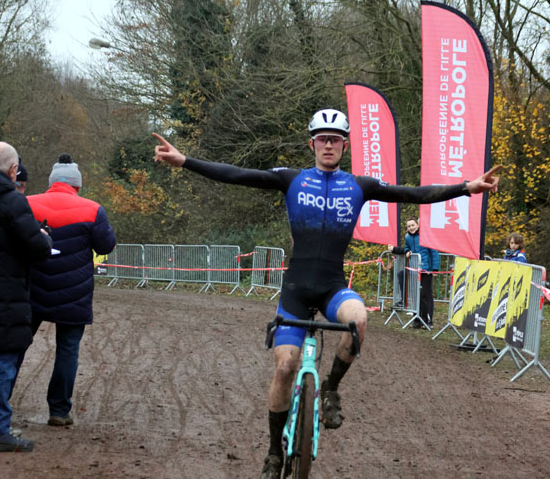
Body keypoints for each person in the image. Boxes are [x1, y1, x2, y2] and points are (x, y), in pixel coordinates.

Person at [152, 108, 502, 479]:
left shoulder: (359, 186)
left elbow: (413, 193)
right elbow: (238, 175)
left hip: (333, 287)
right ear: (312, 143)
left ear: (344, 145)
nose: (329, 144)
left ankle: (331, 389)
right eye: (323, 138)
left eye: (335, 138)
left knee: (360, 321)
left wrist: (466, 187)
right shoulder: (292, 180)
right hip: (296, 290)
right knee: (285, 366)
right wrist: (185, 161)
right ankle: (274, 454)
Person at [0, 141, 53, 452]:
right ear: (13, 169)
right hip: (2, 296)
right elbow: (37, 248)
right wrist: (44, 237)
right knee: (0, 362)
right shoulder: (11, 201)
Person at [25, 153, 116, 427]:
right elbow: (105, 246)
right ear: (77, 185)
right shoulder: (93, 209)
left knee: (14, 345)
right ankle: (59, 410)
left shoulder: (27, 203)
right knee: (67, 350)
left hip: (32, 289)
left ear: (51, 182)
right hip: (73, 293)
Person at [388, 217, 440, 328]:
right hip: (414, 269)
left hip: (426, 270)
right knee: (415, 295)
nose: (411, 228)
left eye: (413, 225)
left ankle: (427, 320)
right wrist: (407, 252)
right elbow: (407, 248)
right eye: (409, 226)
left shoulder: (425, 235)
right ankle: (417, 319)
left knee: (424, 295)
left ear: (417, 225)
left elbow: (434, 252)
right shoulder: (407, 237)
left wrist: (435, 269)